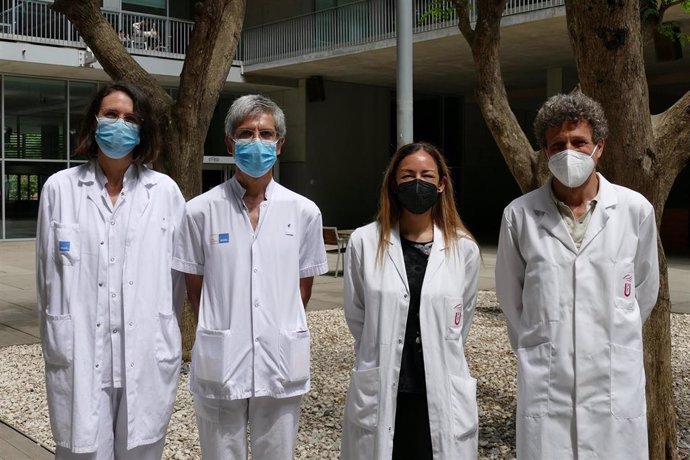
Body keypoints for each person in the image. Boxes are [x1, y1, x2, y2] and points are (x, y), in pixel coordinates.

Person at [495, 93, 660, 459]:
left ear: (598, 147)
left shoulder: (634, 211)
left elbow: (644, 292)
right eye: (558, 144)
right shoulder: (519, 216)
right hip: (548, 379)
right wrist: (542, 346)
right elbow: (511, 299)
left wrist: (613, 331)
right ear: (546, 152)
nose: (569, 151)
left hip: (612, 378)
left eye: (579, 141)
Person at [172, 94, 328, 459]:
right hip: (221, 357)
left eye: (265, 133)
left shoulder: (304, 212)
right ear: (230, 143)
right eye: (246, 133)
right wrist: (225, 322)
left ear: (280, 143)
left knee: (277, 452)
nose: (256, 142)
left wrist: (274, 321)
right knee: (220, 453)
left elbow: (302, 287)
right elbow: (195, 287)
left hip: (280, 356)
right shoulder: (200, 212)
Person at [35, 81, 185, 459]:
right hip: (83, 354)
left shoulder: (164, 192)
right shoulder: (60, 189)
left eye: (131, 117)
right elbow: (46, 278)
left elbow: (177, 279)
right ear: (94, 121)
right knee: (81, 452)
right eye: (111, 115)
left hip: (146, 353)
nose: (120, 124)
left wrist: (164, 327)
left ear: (143, 128)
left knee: (142, 450)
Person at [340, 142, 481, 460]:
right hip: (384, 386)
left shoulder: (463, 249)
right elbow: (358, 315)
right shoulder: (365, 242)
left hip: (440, 387)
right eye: (407, 175)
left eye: (427, 175)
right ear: (393, 182)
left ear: (442, 184)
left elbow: (462, 320)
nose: (417, 183)